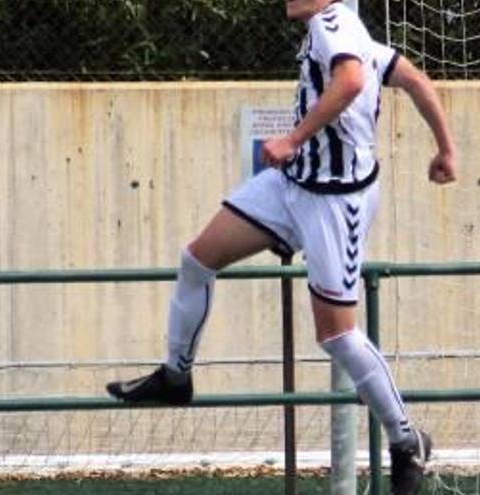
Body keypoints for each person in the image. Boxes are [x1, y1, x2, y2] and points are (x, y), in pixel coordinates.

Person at [107, 1, 457, 493]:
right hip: (291, 188)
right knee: (196, 259)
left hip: (335, 202)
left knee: (337, 336)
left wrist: (293, 137)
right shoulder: (347, 29)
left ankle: (406, 439)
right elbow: (415, 81)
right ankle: (176, 376)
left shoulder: (331, 24)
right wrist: (446, 148)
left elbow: (352, 81)